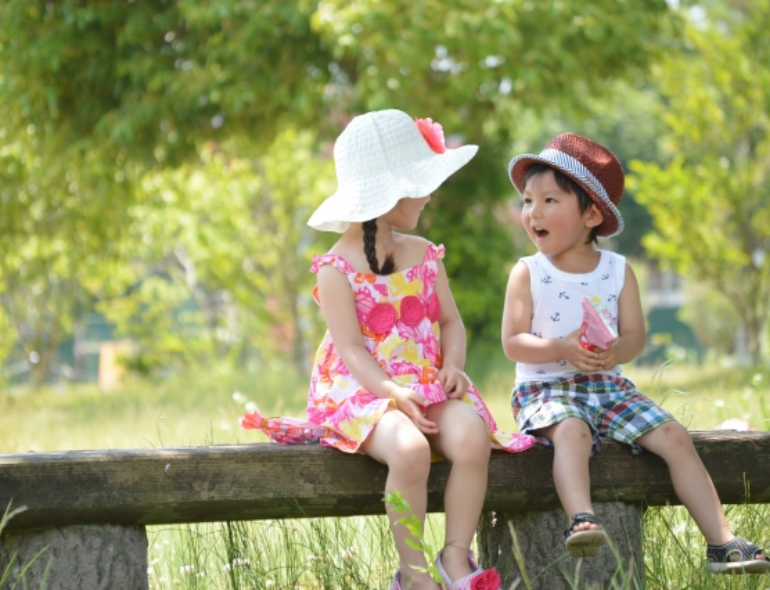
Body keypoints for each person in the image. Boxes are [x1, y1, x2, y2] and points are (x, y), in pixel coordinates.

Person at [242, 109, 533, 590]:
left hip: (425, 384)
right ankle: (413, 572)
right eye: (418, 184)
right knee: (411, 450)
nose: (429, 194)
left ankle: (455, 557)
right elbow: (352, 350)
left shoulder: (423, 253)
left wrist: (453, 366)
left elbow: (450, 322)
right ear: (387, 192)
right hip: (363, 390)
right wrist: (393, 393)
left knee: (472, 438)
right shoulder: (335, 267)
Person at [500, 132, 770, 574]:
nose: (533, 213)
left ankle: (722, 542)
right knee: (572, 431)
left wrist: (613, 353)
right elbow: (513, 342)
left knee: (675, 436)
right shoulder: (529, 271)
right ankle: (581, 518)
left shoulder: (616, 270)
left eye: (550, 200)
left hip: (609, 386)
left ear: (591, 214)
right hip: (545, 388)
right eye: (528, 201)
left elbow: (635, 337)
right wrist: (562, 347)